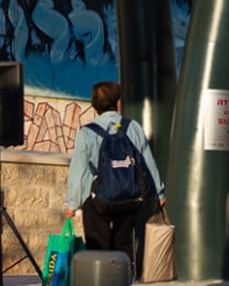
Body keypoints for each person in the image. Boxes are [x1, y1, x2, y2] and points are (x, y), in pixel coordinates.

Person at [63, 81, 165, 273]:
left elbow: (78, 171)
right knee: (124, 243)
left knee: (96, 246)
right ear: (118, 103)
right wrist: (159, 193)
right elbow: (147, 161)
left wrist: (72, 203)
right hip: (127, 197)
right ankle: (124, 279)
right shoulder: (132, 127)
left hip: (98, 201)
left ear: (94, 105)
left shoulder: (87, 132)